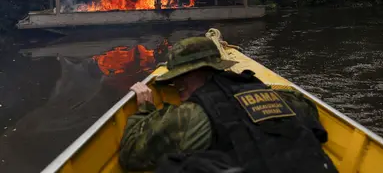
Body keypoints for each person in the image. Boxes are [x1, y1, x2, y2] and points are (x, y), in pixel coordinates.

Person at [119, 37, 338, 173]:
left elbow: (131, 155)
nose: (177, 86)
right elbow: (309, 109)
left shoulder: (193, 114)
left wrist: (145, 109)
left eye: (181, 80)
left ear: (198, 72)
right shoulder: (278, 98)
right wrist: (264, 92)